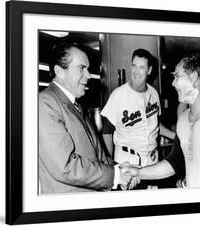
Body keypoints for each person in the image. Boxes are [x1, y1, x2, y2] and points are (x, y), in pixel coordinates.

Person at [39, 42, 137, 194]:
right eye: (81, 68)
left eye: (88, 68)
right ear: (59, 71)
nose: (89, 75)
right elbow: (65, 166)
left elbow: (95, 154)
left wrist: (119, 169)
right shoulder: (44, 103)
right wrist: (115, 176)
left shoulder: (75, 105)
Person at [125, 53, 200, 188]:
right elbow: (174, 163)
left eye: (177, 76)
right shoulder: (183, 120)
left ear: (194, 77)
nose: (173, 83)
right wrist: (138, 172)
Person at [101, 48, 175, 180]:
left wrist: (175, 136)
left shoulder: (154, 93)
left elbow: (156, 125)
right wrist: (110, 164)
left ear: (149, 70)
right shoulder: (118, 95)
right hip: (128, 161)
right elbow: (107, 131)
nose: (136, 71)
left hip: (152, 160)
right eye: (134, 66)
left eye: (141, 67)